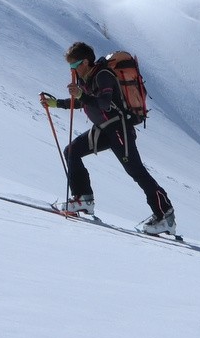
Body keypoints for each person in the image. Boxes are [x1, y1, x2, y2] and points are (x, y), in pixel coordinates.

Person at [41, 41, 176, 235]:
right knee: (72, 151)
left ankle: (165, 215)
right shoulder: (85, 78)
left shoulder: (103, 76)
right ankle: (83, 199)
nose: (72, 69)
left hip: (119, 130)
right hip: (104, 130)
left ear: (85, 62)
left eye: (74, 65)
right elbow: (82, 102)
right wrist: (55, 103)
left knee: (136, 171)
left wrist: (81, 94)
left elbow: (103, 104)